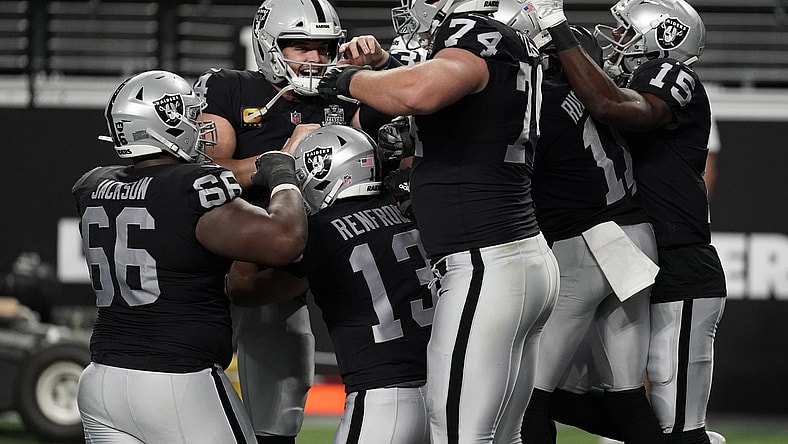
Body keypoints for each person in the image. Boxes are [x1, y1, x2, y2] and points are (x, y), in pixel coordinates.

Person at [318, 1, 561, 442]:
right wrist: (387, 67)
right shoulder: (514, 44)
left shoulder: (472, 31)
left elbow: (419, 94)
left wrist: (350, 79)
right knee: (502, 436)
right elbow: (455, 104)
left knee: (457, 432)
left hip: (485, 263)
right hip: (519, 255)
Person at [193, 1, 393, 442]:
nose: (315, 59)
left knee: (280, 414)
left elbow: (403, 113)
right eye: (300, 46)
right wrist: (280, 158)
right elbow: (203, 176)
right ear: (268, 44)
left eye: (324, 48)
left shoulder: (341, 96)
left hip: (290, 262)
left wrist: (383, 66)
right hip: (217, 258)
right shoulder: (232, 88)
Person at [72, 70, 308, 443]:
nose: (200, 126)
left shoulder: (93, 185)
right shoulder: (192, 187)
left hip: (101, 381)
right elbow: (285, 240)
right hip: (177, 381)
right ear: (167, 120)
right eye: (193, 116)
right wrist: (282, 175)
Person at [529, 0, 727, 442]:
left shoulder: (672, 76)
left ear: (663, 37)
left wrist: (557, 30)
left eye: (625, 33)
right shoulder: (610, 86)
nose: (614, 41)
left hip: (677, 265)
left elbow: (613, 106)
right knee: (569, 394)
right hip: (619, 253)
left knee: (676, 424)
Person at [492, 3, 664, 441]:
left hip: (586, 244)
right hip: (634, 238)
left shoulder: (538, 103)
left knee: (528, 397)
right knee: (625, 397)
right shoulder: (586, 97)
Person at [229, 125, 433, 444]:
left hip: (382, 396)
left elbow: (244, 288)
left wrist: (263, 200)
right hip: (447, 385)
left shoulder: (321, 232)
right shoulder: (410, 208)